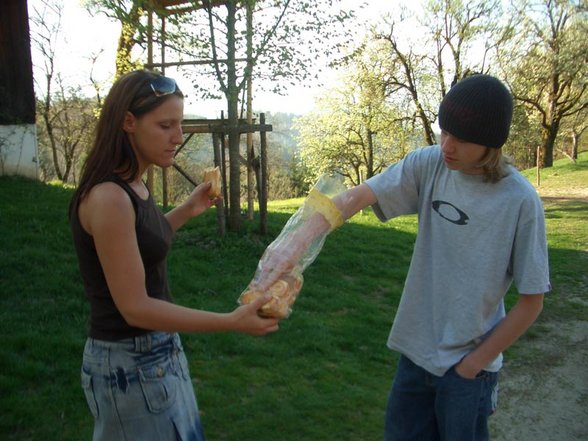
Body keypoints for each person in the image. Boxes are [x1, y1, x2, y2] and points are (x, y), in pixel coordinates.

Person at [252, 74, 550, 441]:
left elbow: (531, 302)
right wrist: (294, 245)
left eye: (460, 138)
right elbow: (357, 197)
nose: (447, 145)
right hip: (414, 356)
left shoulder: (520, 201)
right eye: (444, 132)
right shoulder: (431, 164)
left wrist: (470, 367)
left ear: (490, 143)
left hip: (469, 370)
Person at [69, 70, 280, 441]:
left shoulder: (134, 184)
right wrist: (231, 321)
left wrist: (187, 209)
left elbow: (142, 242)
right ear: (128, 122)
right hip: (129, 363)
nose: (178, 138)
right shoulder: (109, 196)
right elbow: (134, 306)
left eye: (179, 124)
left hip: (156, 355)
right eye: (166, 125)